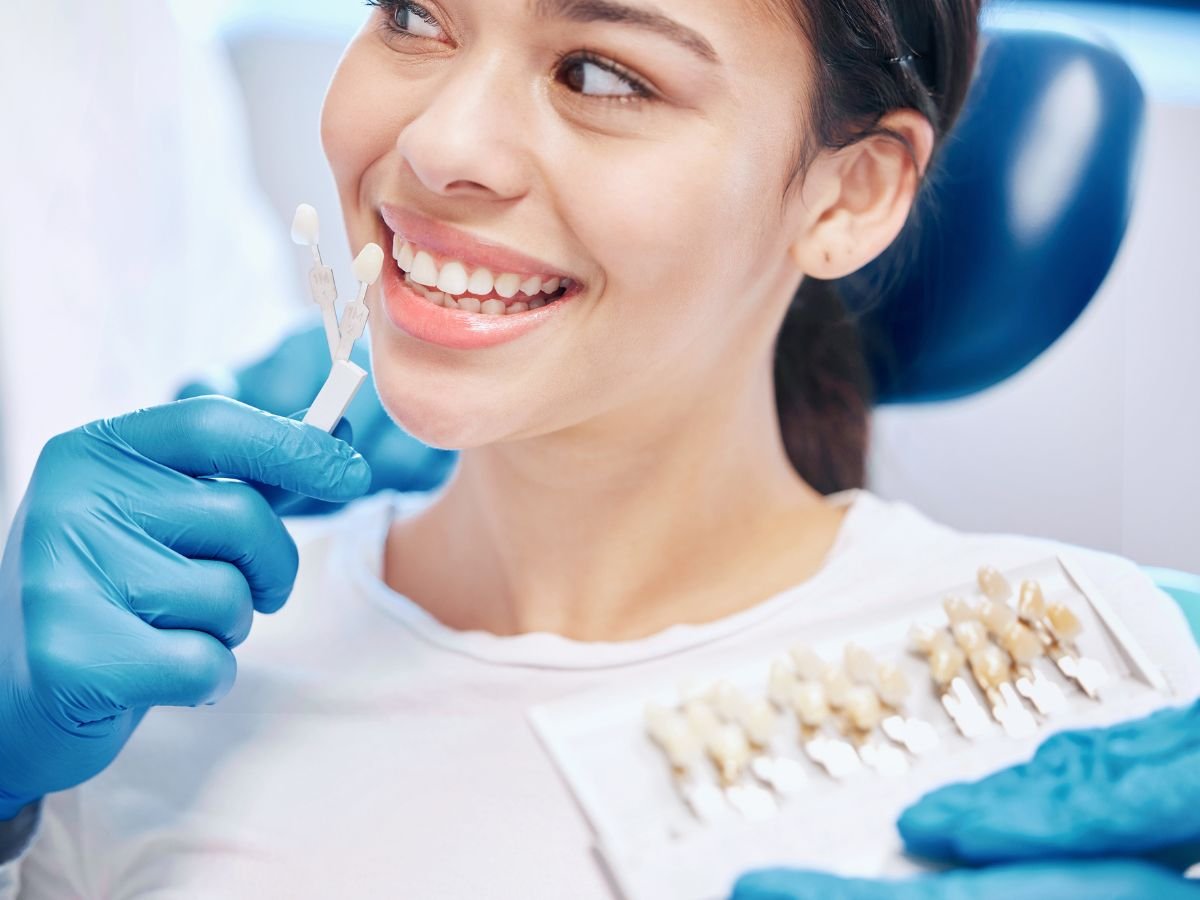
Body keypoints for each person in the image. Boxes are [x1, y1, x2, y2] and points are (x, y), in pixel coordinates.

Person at [0, 1, 1197, 898]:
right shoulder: (150, 685)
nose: (438, 144)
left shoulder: (1080, 710)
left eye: (600, 74)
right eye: (417, 13)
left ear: (848, 196)